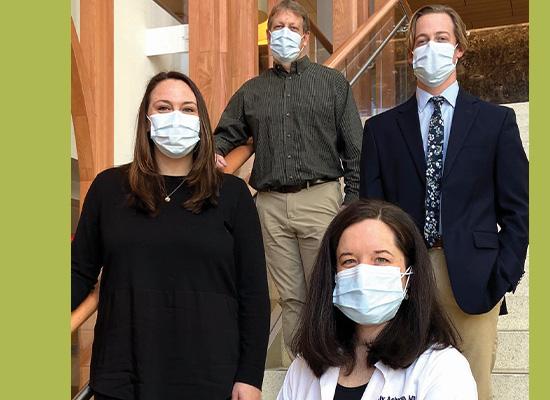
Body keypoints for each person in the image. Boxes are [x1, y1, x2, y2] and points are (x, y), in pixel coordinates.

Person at [359, 5, 529, 400]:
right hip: (401, 281)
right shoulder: (380, 130)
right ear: (410, 53)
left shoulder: (496, 122)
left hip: (475, 280)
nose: (429, 47)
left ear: (459, 50)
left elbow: (517, 210)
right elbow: (370, 213)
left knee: (472, 389)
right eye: (421, 40)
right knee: (401, 387)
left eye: (440, 39)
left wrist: (503, 275)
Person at [71, 71, 270, 400]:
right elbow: (78, 273)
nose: (176, 116)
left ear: (201, 121)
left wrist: (250, 377)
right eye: (164, 108)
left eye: (187, 109)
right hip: (124, 376)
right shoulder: (108, 189)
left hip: (210, 377)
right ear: (147, 121)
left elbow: (253, 294)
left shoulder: (233, 195)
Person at [213, 0, 363, 352]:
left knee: (328, 289)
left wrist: (351, 202)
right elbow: (225, 134)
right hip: (270, 206)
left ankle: (336, 364)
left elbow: (356, 149)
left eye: (292, 27)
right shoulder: (251, 90)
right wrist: (216, 153)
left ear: (305, 38)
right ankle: (303, 372)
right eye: (277, 26)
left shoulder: (332, 83)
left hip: (320, 196)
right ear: (268, 35)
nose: (284, 33)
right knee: (291, 298)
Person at [277, 200, 477, 399]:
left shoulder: (442, 369)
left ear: (409, 276)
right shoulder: (304, 368)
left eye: (381, 259)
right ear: (332, 275)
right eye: (349, 261)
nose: (362, 273)